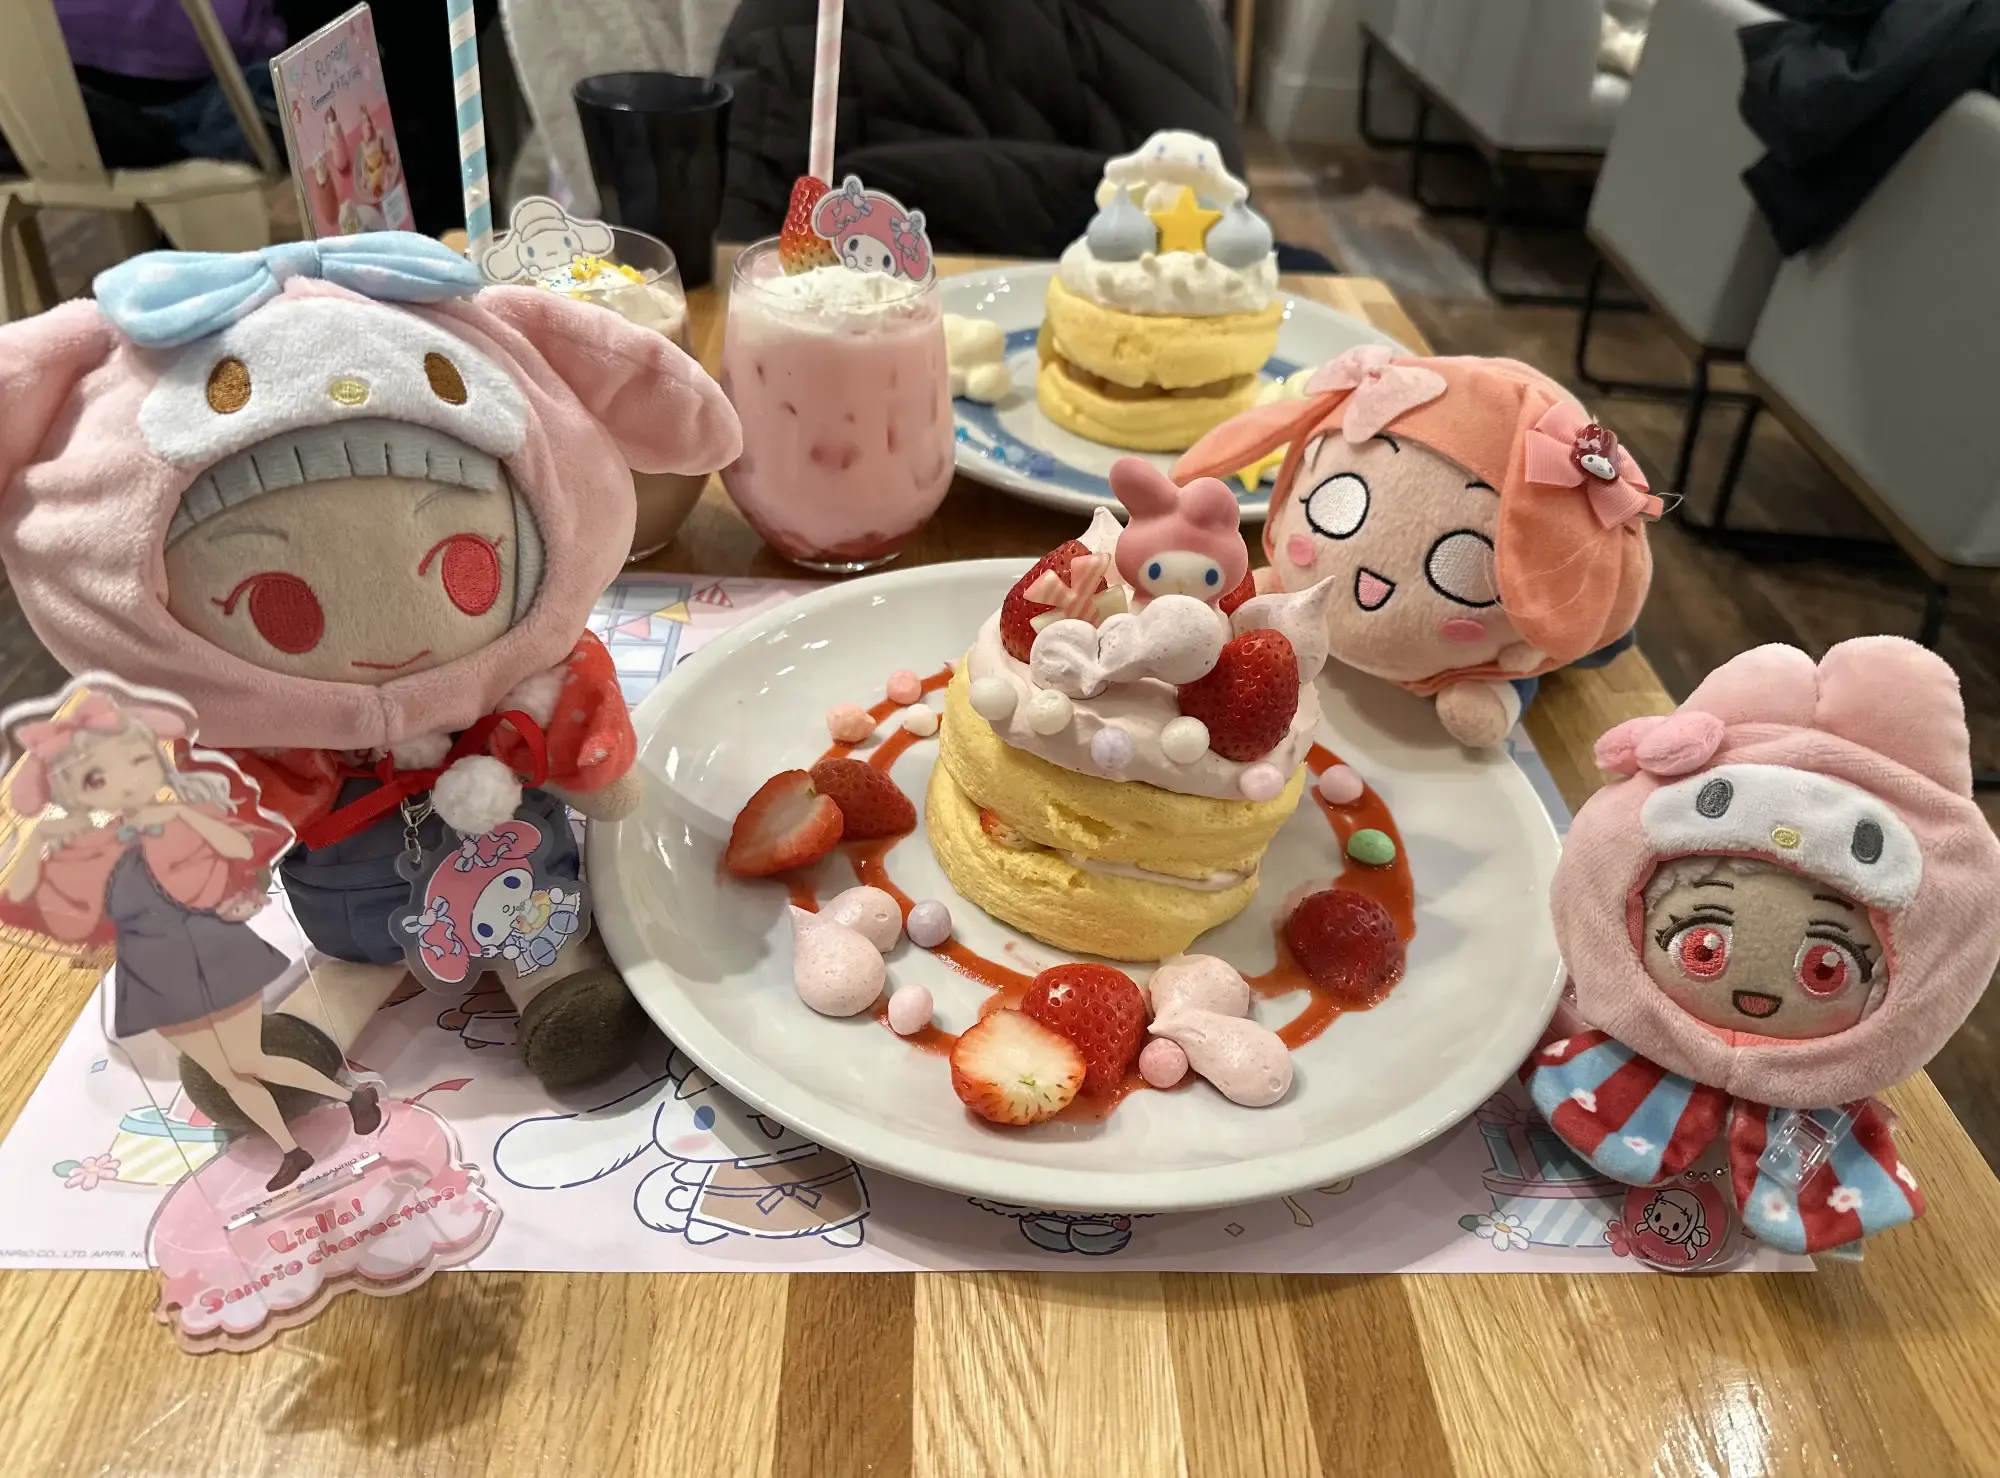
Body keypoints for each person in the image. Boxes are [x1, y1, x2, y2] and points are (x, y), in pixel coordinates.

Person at [0, 691, 379, 1193]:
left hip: (209, 954)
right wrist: (41, 846)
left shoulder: (179, 820)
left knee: (249, 1061)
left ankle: (351, 1097)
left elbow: (245, 851)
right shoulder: (94, 845)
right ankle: (293, 1151)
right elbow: (31, 908)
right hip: (153, 975)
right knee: (227, 1075)